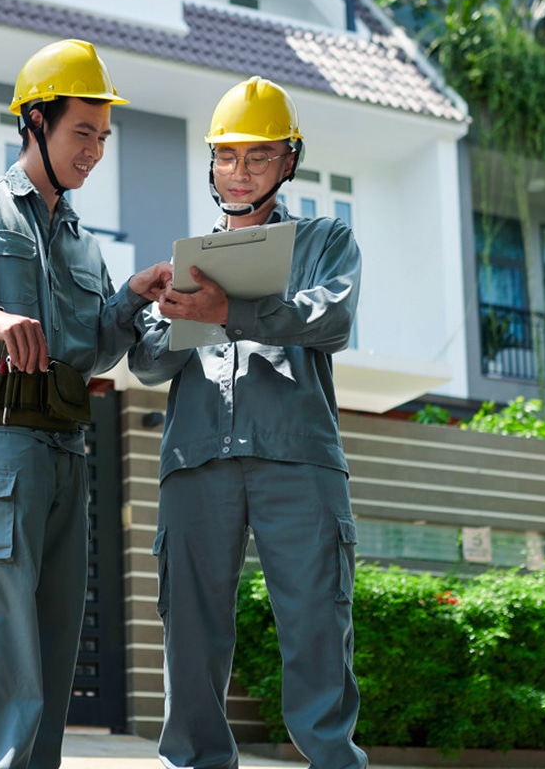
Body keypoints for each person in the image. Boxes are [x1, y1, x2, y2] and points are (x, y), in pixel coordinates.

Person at [0, 38, 171, 769]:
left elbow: (89, 353)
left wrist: (129, 298)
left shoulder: (81, 242)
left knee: (48, 653)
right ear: (35, 122)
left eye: (103, 138)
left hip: (67, 457)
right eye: (83, 132)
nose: (95, 152)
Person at [129, 76, 368, 769]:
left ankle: (332, 761)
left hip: (297, 457)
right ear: (211, 164)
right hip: (196, 459)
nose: (239, 173)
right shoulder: (187, 263)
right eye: (227, 157)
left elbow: (333, 318)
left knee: (317, 622)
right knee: (192, 632)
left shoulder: (325, 240)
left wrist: (227, 312)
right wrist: (174, 313)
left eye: (258, 157)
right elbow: (147, 362)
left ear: (289, 160)